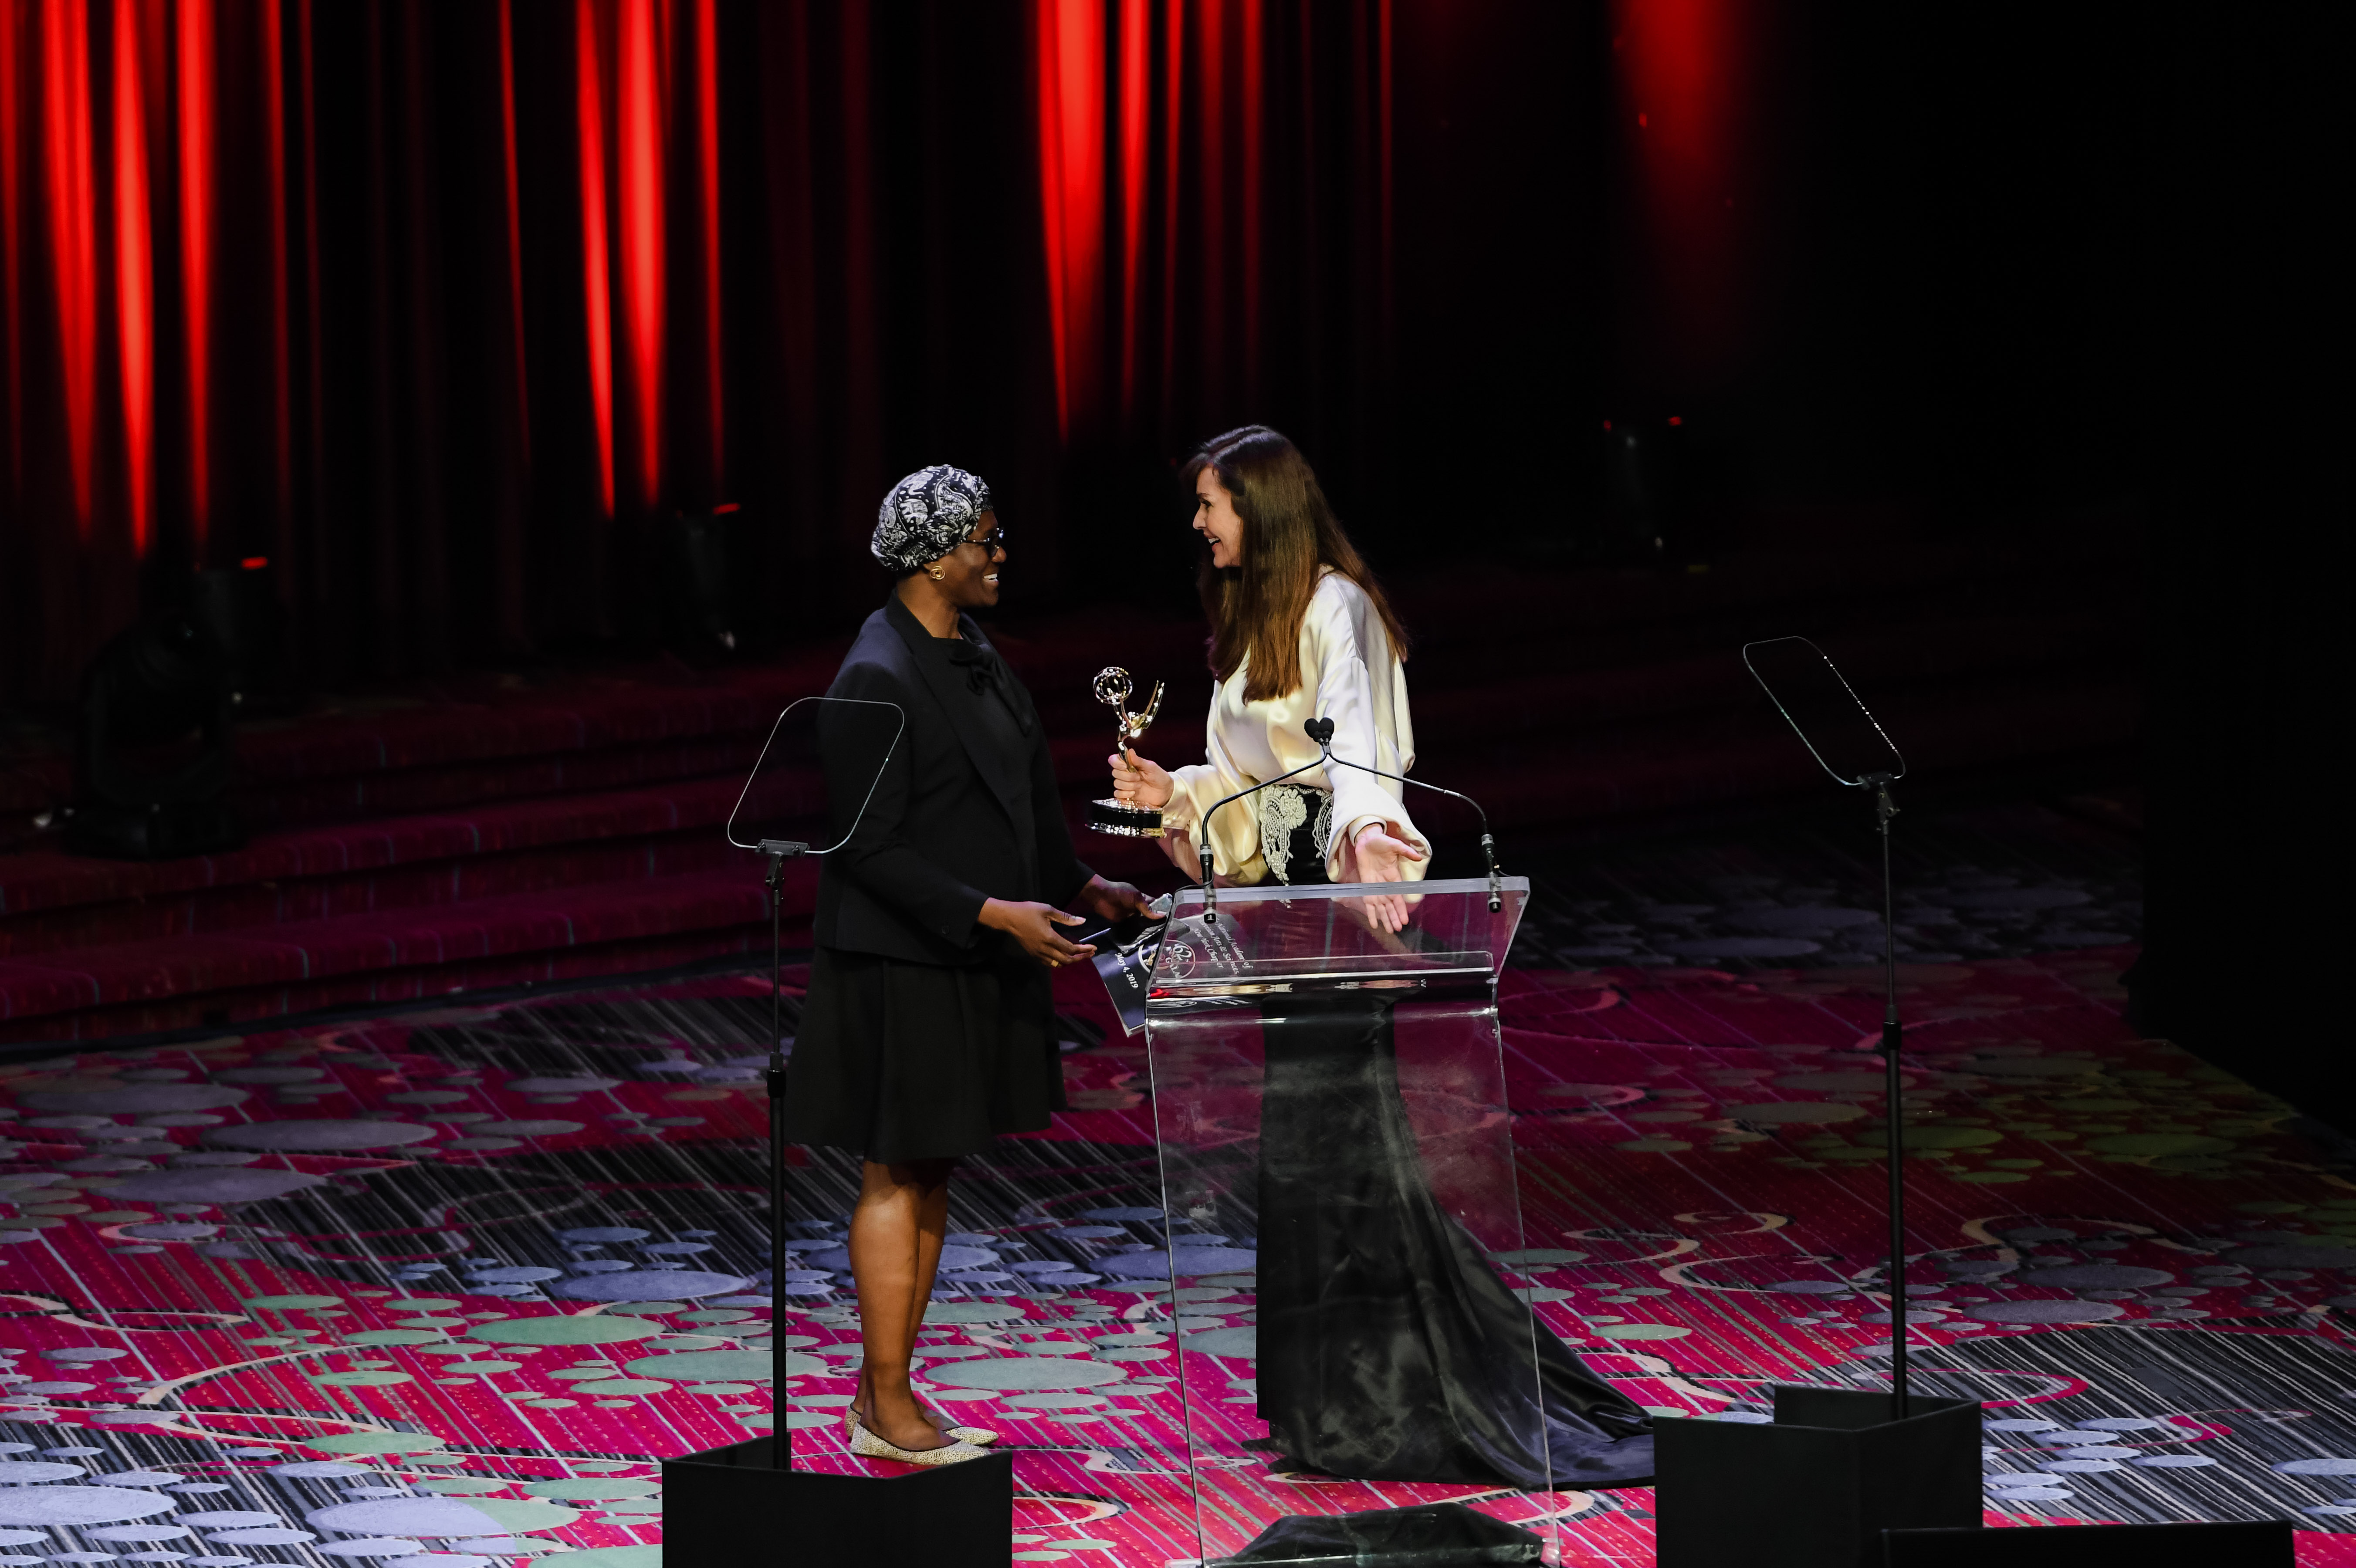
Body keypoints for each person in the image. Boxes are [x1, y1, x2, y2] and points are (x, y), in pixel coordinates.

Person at [1109, 427, 1654, 1488]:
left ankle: (1389, 1398)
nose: (1198, 523)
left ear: (1260, 507)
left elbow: (1357, 756)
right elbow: (1249, 779)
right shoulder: (1254, 616)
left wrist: (1368, 841)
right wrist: (1174, 793)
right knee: (1308, 1159)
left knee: (1348, 1156)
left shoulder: (1335, 606)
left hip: (1336, 920)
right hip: (1281, 920)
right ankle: (1328, 1403)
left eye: (1211, 503)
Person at [784, 464, 1154, 1465]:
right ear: (933, 556)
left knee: (932, 1163)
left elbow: (1013, 800)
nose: (999, 555)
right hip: (901, 960)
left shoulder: (972, 652)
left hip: (968, 950)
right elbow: (869, 850)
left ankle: (886, 1393)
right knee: (896, 1168)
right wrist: (995, 914)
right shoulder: (875, 675)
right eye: (985, 540)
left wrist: (1082, 885)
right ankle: (885, 1402)